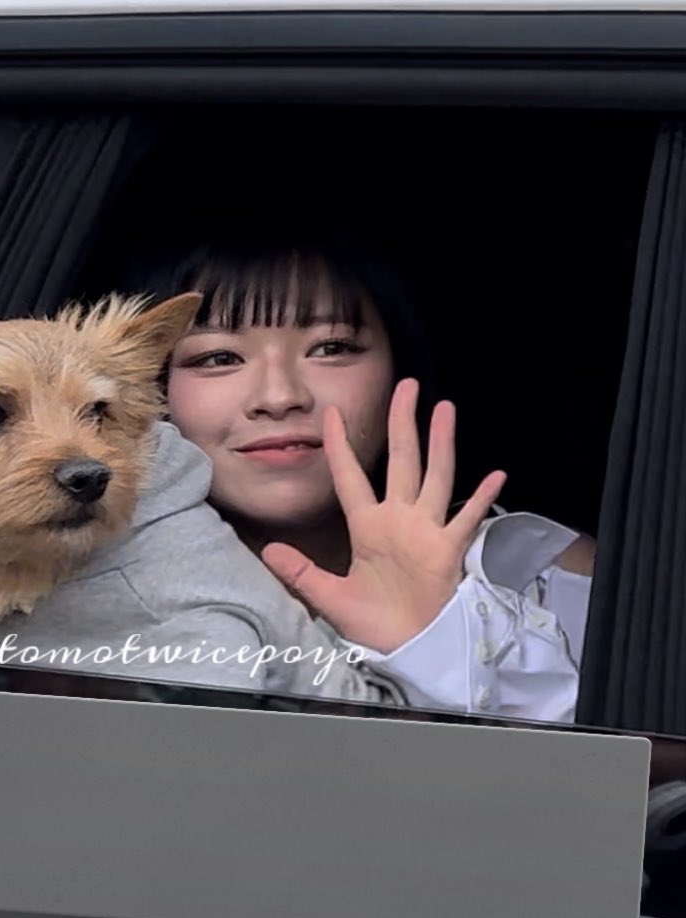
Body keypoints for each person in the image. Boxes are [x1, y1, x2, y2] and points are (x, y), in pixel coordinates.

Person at [119, 211, 594, 724]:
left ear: (398, 367)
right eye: (218, 358)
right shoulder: (86, 592)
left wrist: (433, 639)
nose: (279, 396)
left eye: (332, 347)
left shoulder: (542, 577)